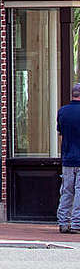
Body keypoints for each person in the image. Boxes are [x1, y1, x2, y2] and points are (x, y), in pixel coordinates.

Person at [57, 82, 80, 234]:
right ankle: (77, 223)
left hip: (67, 158)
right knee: (79, 192)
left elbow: (60, 135)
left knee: (66, 191)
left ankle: (63, 222)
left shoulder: (62, 111)